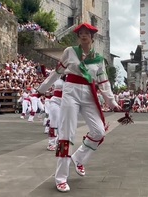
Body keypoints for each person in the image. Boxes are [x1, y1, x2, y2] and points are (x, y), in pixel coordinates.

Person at [37, 22, 121, 192]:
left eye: (87, 33)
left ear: (92, 37)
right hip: (71, 92)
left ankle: (78, 158)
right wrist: (42, 89)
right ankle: (60, 177)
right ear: (78, 37)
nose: (83, 35)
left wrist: (113, 103)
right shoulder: (70, 51)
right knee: (67, 133)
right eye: (81, 33)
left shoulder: (99, 59)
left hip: (89, 95)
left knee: (99, 131)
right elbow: (57, 72)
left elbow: (103, 82)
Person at [38, 75, 65, 151]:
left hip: (65, 105)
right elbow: (48, 79)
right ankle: (52, 143)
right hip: (55, 102)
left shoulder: (73, 78)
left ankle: (60, 142)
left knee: (62, 124)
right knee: (54, 123)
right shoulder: (58, 78)